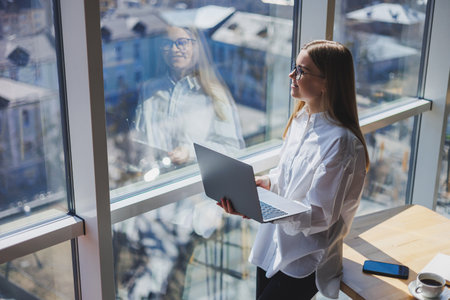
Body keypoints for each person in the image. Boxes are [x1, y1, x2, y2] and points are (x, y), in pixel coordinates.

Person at [218, 40, 370, 300]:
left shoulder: (342, 143)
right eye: (294, 67)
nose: (292, 75)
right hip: (272, 247)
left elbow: (320, 216)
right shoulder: (300, 120)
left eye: (301, 71)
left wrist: (264, 210)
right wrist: (267, 183)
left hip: (304, 260)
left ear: (327, 82)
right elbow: (288, 178)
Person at [134, 26, 244, 168]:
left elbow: (233, 150)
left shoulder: (213, 94)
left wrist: (190, 153)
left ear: (196, 47)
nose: (174, 49)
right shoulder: (150, 90)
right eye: (167, 43)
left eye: (182, 42)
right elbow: (140, 140)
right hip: (156, 182)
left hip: (193, 182)